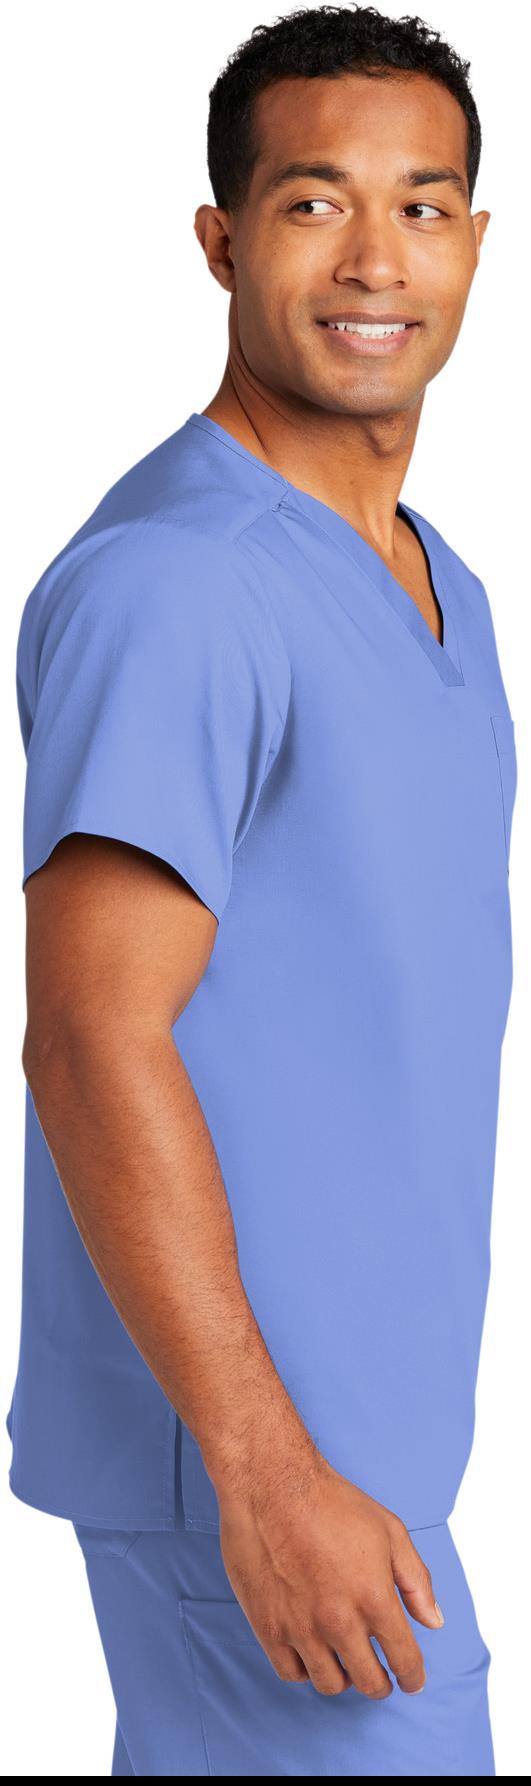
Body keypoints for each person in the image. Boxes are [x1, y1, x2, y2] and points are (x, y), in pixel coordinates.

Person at [6, 4, 517, 1776]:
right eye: (314, 203)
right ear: (221, 241)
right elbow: (87, 1033)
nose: (377, 259)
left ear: (475, 241)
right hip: (252, 1467)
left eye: (423, 205)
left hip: (365, 1459)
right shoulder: (182, 585)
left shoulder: (440, 585)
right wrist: (260, 1464)